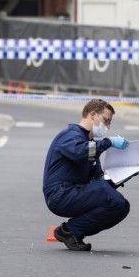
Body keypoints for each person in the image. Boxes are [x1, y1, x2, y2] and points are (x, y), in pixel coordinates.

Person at [43, 99, 131, 251]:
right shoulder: (70, 135)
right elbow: (81, 153)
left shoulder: (90, 142)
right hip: (60, 195)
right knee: (113, 199)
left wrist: (121, 177)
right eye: (106, 120)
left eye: (110, 123)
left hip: (74, 192)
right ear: (92, 115)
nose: (108, 127)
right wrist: (108, 142)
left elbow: (98, 180)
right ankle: (70, 231)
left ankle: (72, 232)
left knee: (121, 206)